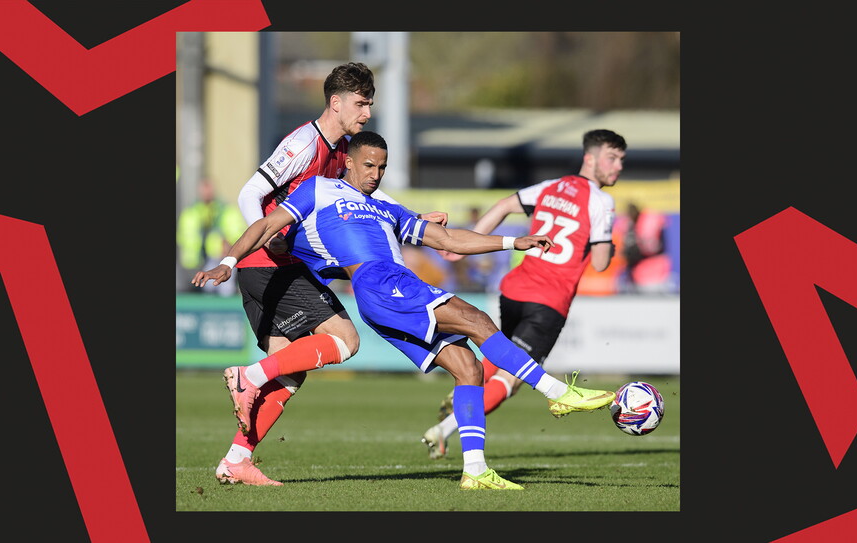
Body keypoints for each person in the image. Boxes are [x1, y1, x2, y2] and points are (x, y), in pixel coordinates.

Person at [192, 131, 617, 490]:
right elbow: (268, 226)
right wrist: (228, 263)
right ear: (349, 164)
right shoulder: (319, 189)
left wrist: (512, 242)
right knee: (478, 321)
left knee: (467, 366)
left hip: (392, 288)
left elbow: (448, 240)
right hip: (380, 284)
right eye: (369, 166)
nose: (375, 175)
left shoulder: (386, 208)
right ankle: (559, 394)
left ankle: (476, 472)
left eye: (382, 167)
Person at [211, 62, 446, 486]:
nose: (367, 113)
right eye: (361, 104)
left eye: (370, 104)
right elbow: (251, 192)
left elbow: (364, 193)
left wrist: (411, 219)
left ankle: (236, 461)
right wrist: (269, 239)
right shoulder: (305, 143)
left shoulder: (345, 150)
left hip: (270, 269)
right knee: (345, 338)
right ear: (335, 103)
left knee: (289, 372)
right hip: (270, 264)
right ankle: (247, 376)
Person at [422, 129, 627, 459]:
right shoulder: (602, 201)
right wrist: (609, 243)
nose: (618, 166)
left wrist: (463, 246)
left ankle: (461, 392)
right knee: (512, 379)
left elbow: (504, 205)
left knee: (502, 356)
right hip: (548, 300)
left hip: (514, 290)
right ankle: (443, 429)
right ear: (590, 158)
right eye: (612, 158)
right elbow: (601, 263)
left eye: (621, 160)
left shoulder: (550, 187)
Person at [176, 178, 247, 296]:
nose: (206, 192)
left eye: (208, 189)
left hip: (219, 258)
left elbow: (238, 233)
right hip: (192, 262)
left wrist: (228, 246)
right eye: (204, 189)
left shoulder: (225, 210)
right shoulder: (191, 211)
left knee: (220, 289)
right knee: (196, 291)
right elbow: (183, 235)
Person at [620, 201, 672, 293]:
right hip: (637, 272)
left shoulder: (649, 221)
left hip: (653, 271)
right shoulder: (628, 224)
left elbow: (650, 248)